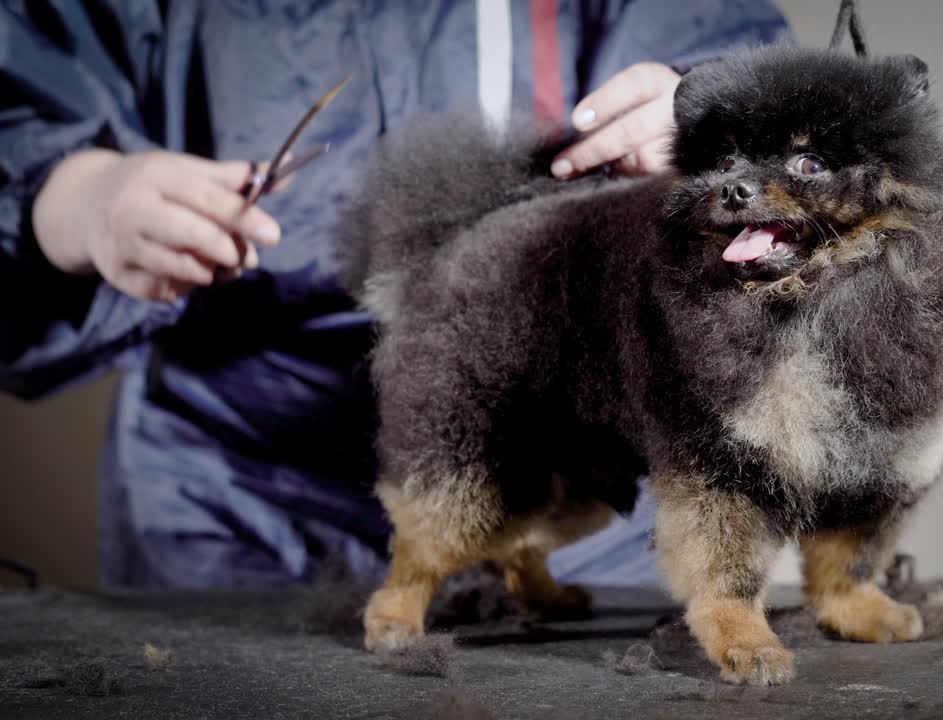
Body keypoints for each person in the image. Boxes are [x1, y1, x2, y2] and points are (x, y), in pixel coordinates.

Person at [0, 2, 791, 588]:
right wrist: (71, 195)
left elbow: (761, 103)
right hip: (231, 503)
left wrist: (715, 132)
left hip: (580, 504)